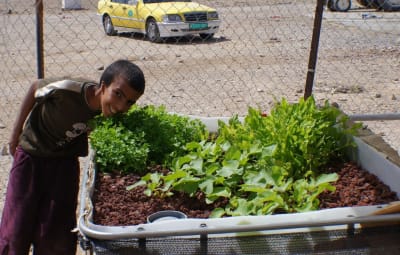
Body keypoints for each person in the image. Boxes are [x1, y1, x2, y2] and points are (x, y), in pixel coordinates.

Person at [0, 59, 145, 255]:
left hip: (64, 164)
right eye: (117, 94)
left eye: (130, 102)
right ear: (103, 87)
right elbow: (35, 87)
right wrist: (15, 134)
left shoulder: (112, 116)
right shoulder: (69, 89)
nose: (121, 106)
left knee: (57, 232)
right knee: (16, 226)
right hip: (31, 157)